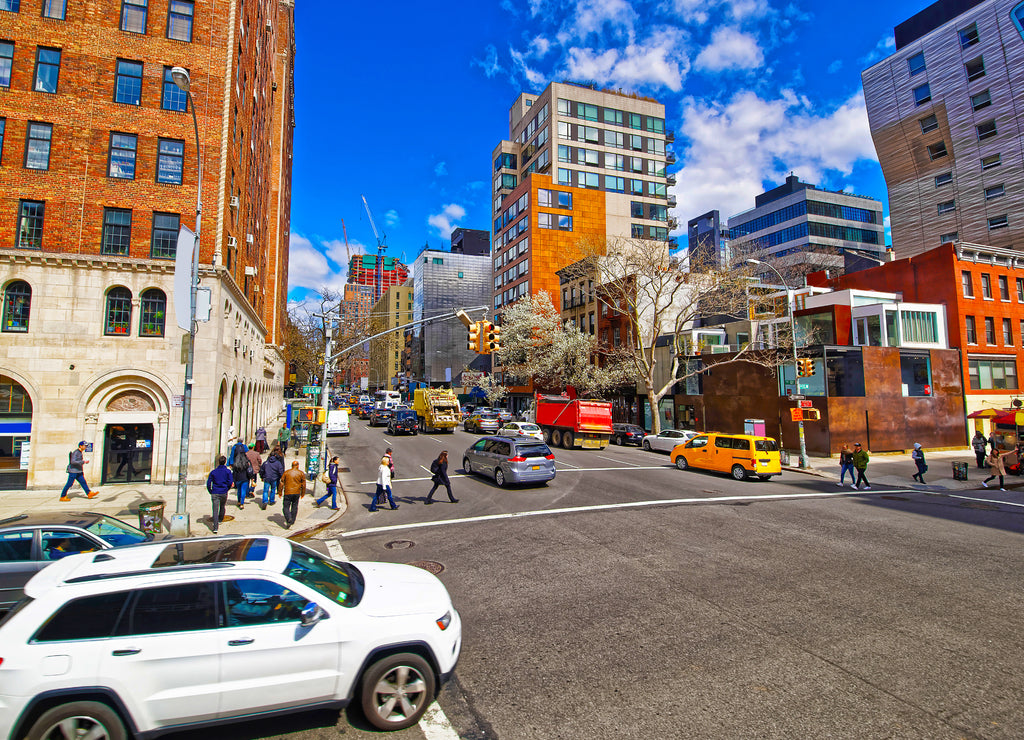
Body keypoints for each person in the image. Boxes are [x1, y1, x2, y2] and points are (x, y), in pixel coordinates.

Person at [206, 456, 233, 533]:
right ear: (225, 462)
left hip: (215, 491)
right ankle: (220, 519)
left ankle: (215, 527)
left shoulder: (213, 472)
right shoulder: (227, 472)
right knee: (222, 506)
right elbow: (230, 482)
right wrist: (227, 489)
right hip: (223, 491)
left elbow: (208, 483)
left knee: (215, 509)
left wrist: (210, 491)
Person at [280, 460, 307, 528]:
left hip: (288, 492)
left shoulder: (286, 472)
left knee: (285, 507)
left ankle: (288, 518)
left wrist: (280, 492)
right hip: (296, 492)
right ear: (297, 465)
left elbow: (281, 483)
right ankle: (292, 520)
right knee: (294, 507)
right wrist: (303, 493)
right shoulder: (301, 473)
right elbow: (303, 484)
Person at [230, 441, 252, 509]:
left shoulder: (236, 464)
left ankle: (239, 501)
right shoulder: (246, 463)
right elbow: (249, 471)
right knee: (243, 490)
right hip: (245, 478)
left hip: (238, 479)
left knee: (239, 490)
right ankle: (242, 503)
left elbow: (234, 472)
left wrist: (233, 480)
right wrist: (251, 478)